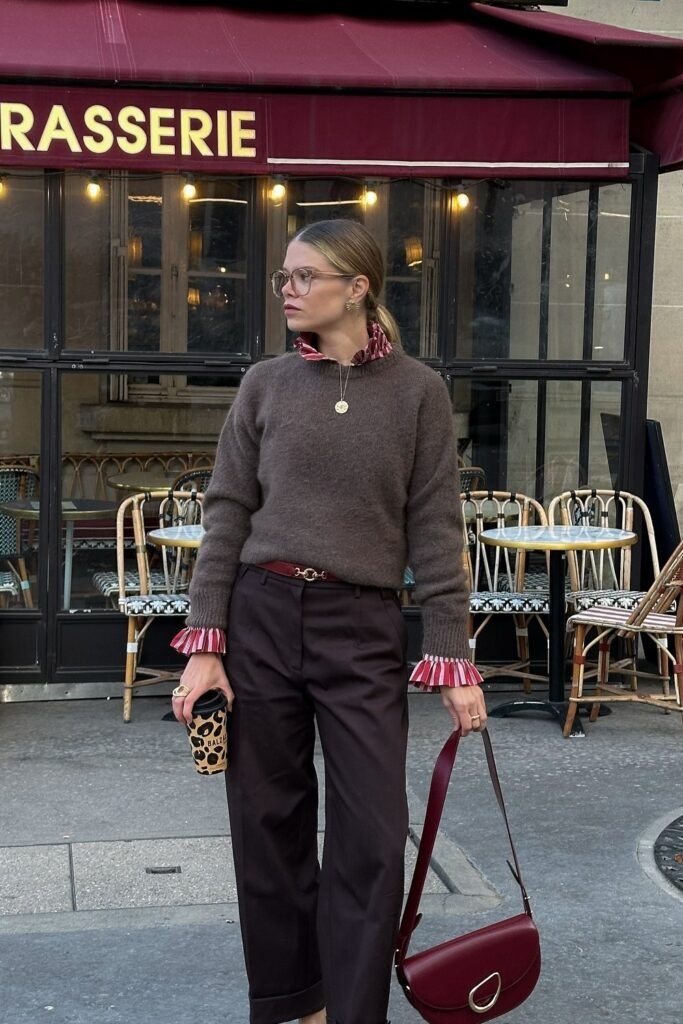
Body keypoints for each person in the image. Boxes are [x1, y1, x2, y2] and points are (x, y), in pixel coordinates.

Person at [170, 219, 487, 1024]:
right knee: (267, 824)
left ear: (357, 287)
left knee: (374, 836)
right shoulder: (265, 384)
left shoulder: (418, 391)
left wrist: (452, 655)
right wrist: (205, 646)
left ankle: (350, 1012)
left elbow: (436, 528)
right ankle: (289, 1005)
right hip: (261, 616)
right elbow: (228, 511)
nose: (287, 287)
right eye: (285, 274)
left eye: (305, 275)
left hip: (362, 624)